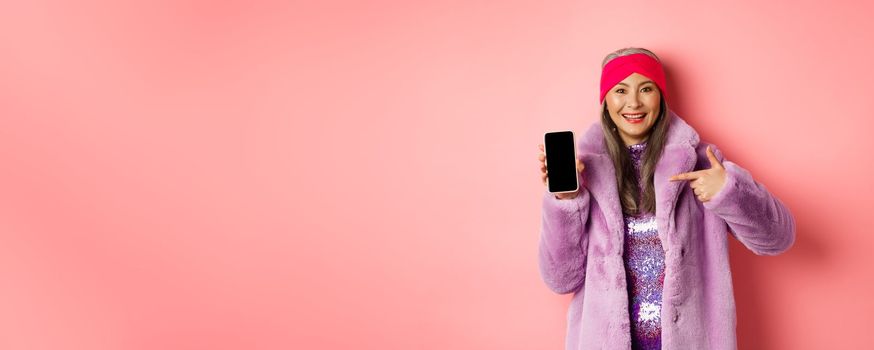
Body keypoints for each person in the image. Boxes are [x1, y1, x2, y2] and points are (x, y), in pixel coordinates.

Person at [536, 47, 795, 350]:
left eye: (646, 88)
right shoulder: (584, 174)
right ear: (605, 101)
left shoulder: (702, 163)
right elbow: (560, 279)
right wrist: (566, 201)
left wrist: (729, 192)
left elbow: (779, 238)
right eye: (620, 90)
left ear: (660, 96)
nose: (633, 102)